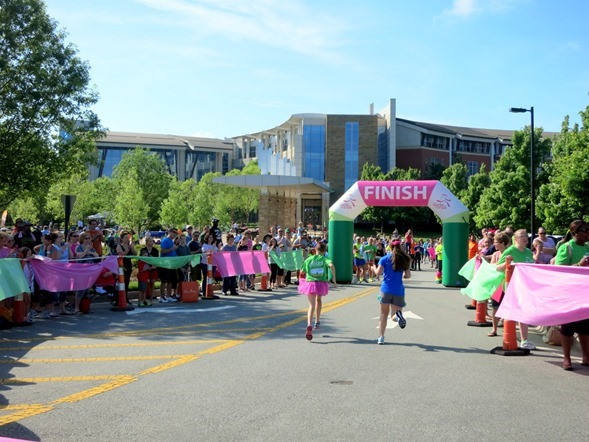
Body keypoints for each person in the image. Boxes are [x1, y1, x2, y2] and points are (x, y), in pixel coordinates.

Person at [553, 220, 589, 370]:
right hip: (569, 292)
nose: (587, 233)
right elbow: (558, 270)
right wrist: (580, 265)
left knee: (585, 326)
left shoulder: (588, 247)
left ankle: (586, 357)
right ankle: (566, 358)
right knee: (568, 325)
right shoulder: (566, 247)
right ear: (574, 233)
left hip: (585, 292)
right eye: (584, 231)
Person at [496, 229, 535, 350]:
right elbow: (498, 268)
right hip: (512, 285)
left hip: (525, 286)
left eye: (526, 236)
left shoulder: (528, 252)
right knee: (519, 312)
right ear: (516, 238)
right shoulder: (510, 250)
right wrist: (508, 262)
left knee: (523, 312)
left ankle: (523, 340)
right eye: (522, 236)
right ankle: (513, 338)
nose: (525, 238)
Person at [374, 240, 412, 345]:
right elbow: (408, 275)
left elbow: (378, 272)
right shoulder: (404, 259)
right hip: (398, 290)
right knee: (393, 316)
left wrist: (373, 267)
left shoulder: (384, 259)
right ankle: (398, 316)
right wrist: (403, 275)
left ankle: (381, 337)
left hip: (385, 289)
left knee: (383, 314)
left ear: (389, 248)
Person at [298, 242, 337, 341]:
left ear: (315, 249)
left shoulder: (309, 259)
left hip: (310, 283)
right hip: (321, 283)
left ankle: (309, 324)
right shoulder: (324, 259)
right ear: (324, 251)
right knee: (319, 300)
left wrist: (301, 281)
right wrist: (334, 279)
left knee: (311, 305)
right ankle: (317, 321)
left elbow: (302, 271)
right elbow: (332, 266)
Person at [487, 232, 510, 337]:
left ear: (502, 243)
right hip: (498, 285)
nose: (494, 244)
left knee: (508, 307)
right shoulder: (496, 254)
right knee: (495, 307)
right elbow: (492, 267)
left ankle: (508, 330)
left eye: (496, 242)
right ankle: (494, 329)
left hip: (508, 284)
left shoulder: (510, 253)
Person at [159, 228, 180, 303]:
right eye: (174, 232)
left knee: (170, 280)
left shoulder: (171, 241)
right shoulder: (165, 240)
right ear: (170, 232)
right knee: (164, 281)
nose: (175, 234)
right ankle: (162, 297)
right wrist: (171, 249)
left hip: (172, 264)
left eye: (176, 233)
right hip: (165, 263)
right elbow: (162, 251)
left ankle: (168, 296)